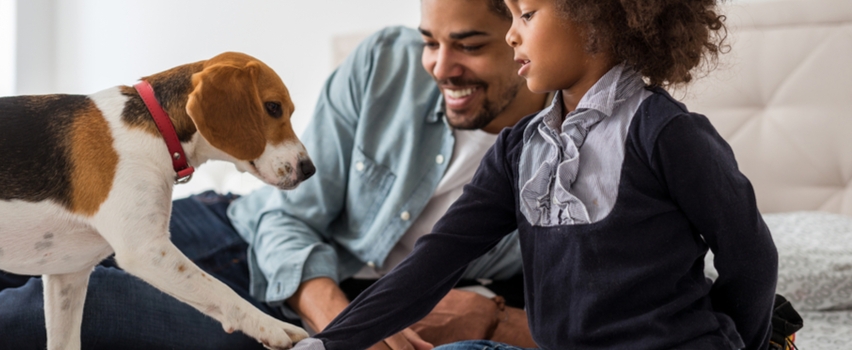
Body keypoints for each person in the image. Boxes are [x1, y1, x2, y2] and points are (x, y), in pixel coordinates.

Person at [0, 0, 549, 349]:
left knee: (70, 296)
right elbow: (292, 209)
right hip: (243, 229)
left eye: (469, 44)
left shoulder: (559, 155)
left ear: (521, 33)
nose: (438, 66)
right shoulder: (386, 62)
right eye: (430, 41)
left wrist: (490, 318)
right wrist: (322, 311)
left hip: (329, 294)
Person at [291, 0, 780, 349]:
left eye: (526, 14)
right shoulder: (518, 149)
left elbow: (751, 255)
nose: (510, 34)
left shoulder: (667, 133)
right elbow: (435, 261)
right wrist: (331, 344)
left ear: (596, 19)